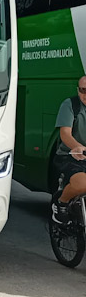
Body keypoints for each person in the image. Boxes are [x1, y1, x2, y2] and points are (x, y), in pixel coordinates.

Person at [52, 75, 86, 223]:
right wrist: (76, 147)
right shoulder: (71, 104)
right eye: (83, 90)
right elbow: (65, 133)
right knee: (82, 185)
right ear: (78, 90)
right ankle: (61, 204)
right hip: (70, 155)